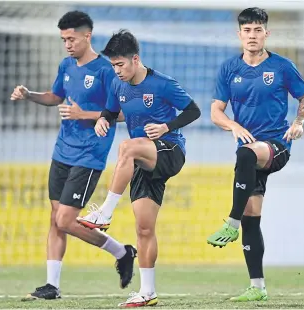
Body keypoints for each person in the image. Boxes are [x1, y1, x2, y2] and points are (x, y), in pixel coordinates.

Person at [10, 11, 136, 301]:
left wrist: (85, 115)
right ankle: (51, 285)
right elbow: (55, 96)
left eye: (71, 38)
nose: (67, 44)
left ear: (87, 35)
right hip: (62, 151)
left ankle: (121, 251)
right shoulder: (66, 65)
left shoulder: (106, 71)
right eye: (64, 39)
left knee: (66, 220)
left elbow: (121, 114)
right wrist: (29, 94)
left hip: (89, 155)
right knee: (56, 218)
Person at [76, 30, 201, 307]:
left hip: (169, 151)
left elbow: (194, 111)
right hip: (144, 162)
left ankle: (104, 213)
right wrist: (103, 120)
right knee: (144, 229)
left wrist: (166, 127)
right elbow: (110, 111)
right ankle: (148, 292)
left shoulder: (163, 84)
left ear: (135, 59)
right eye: (113, 65)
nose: (117, 70)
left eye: (120, 64)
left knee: (127, 147)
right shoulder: (118, 85)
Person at [206, 7, 304, 302]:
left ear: (267, 33)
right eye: (247, 30)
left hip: (276, 146)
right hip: (251, 153)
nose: (252, 35)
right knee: (253, 218)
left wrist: (299, 123)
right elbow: (216, 110)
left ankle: (230, 222)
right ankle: (257, 287)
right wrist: (232, 125)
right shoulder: (230, 68)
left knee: (245, 155)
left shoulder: (282, 66)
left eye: (257, 30)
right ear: (239, 34)